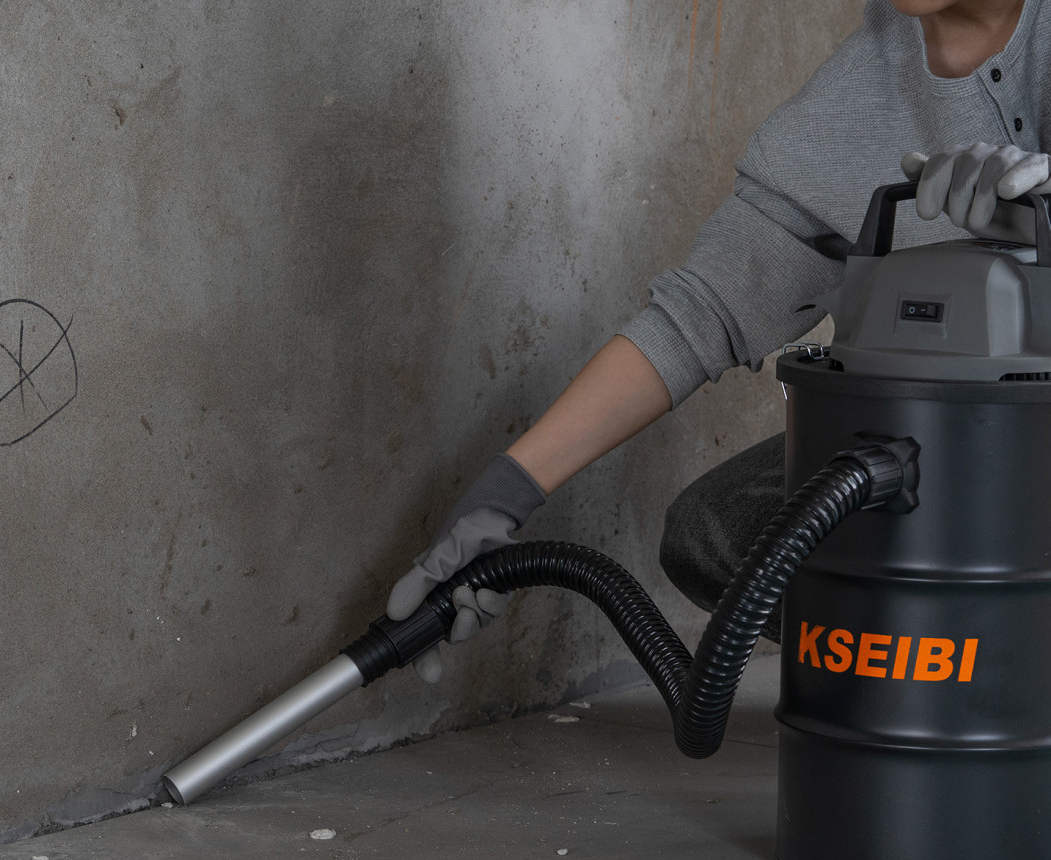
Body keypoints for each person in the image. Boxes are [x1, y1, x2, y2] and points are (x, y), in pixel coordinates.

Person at [388, 0, 1051, 680]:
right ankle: (989, 693)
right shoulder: (859, 98)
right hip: (966, 437)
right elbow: (704, 309)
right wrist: (503, 496)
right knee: (720, 533)